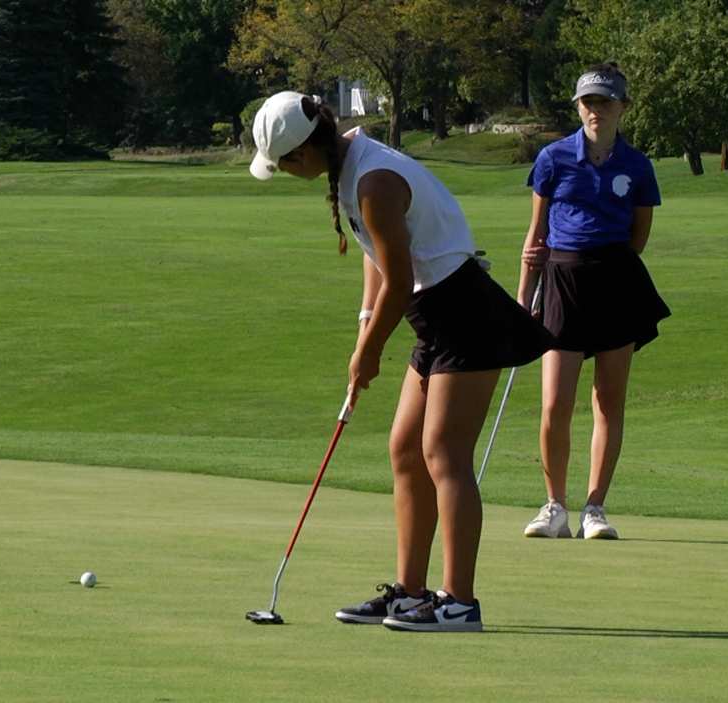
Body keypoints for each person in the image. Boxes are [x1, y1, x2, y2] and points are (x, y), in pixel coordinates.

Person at [249, 91, 551, 632]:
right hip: (434, 315)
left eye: (281, 165)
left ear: (300, 155)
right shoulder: (349, 172)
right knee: (406, 450)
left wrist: (368, 354)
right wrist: (364, 326)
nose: (285, 174)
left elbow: (396, 278)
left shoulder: (374, 182)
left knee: (444, 453)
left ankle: (459, 602)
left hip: (465, 312)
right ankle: (410, 591)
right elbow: (380, 263)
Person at [518, 63, 670, 540]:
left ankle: (594, 509)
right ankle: (554, 506)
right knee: (554, 403)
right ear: (578, 107)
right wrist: (524, 300)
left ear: (622, 106)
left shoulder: (637, 166)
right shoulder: (553, 158)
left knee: (608, 400)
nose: (595, 110)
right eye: (587, 102)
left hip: (616, 282)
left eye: (604, 102)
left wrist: (611, 268)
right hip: (561, 279)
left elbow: (638, 234)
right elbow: (536, 235)